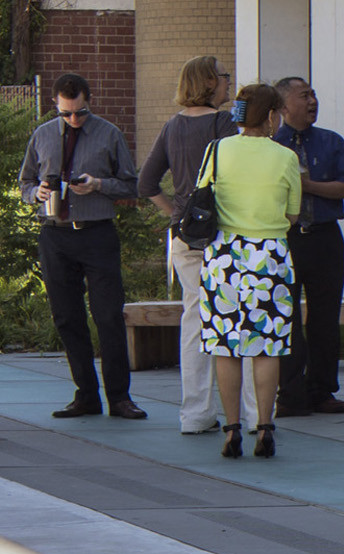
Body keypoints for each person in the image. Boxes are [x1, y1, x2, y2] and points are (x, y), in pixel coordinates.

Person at [17, 73, 145, 419]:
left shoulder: (108, 134)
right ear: (55, 106)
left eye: (80, 112)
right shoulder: (42, 135)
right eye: (66, 113)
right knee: (67, 317)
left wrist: (99, 184)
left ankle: (120, 397)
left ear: (90, 102)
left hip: (96, 233)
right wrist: (36, 194)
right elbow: (25, 182)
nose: (73, 119)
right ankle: (86, 394)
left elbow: (132, 185)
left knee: (107, 315)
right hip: (55, 234)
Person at [200, 82, 303, 455]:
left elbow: (203, 196)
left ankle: (230, 430)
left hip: (224, 255)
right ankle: (264, 427)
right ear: (273, 115)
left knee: (226, 347)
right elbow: (292, 213)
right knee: (266, 347)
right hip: (270, 256)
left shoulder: (217, 150)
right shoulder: (286, 157)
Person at [136, 54, 234, 433]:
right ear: (209, 82)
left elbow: (146, 184)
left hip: (184, 236)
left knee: (193, 320)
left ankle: (194, 413)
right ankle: (247, 411)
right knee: (230, 319)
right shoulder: (224, 124)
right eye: (224, 76)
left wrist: (176, 212)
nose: (228, 82)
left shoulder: (171, 126)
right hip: (222, 234)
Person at [272, 77, 344, 417]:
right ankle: (291, 395)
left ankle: (322, 390)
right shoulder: (271, 145)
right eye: (304, 96)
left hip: (325, 237)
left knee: (325, 318)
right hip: (287, 238)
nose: (313, 101)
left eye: (314, 94)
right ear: (282, 107)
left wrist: (306, 185)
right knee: (286, 317)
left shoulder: (331, 142)